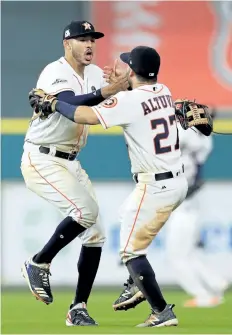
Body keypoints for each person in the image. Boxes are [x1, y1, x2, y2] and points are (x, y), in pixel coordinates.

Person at [29, 45, 190, 327]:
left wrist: (54, 103)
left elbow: (83, 115)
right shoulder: (163, 90)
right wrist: (122, 85)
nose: (123, 68)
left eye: (128, 65)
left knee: (130, 251)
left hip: (155, 186)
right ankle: (135, 282)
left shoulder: (130, 101)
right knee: (124, 216)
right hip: (177, 180)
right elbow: (142, 102)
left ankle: (161, 310)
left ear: (134, 71)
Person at [21, 20, 127, 327]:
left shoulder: (94, 74)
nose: (90, 44)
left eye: (92, 38)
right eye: (82, 39)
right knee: (86, 211)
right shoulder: (55, 72)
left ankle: (78, 308)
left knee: (95, 235)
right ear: (68, 44)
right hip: (42, 157)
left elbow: (117, 97)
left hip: (71, 160)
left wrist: (128, 88)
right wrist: (109, 90)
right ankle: (39, 261)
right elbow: (66, 103)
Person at [113, 117, 228, 310]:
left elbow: (171, 136)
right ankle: (216, 283)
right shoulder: (197, 144)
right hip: (186, 203)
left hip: (184, 205)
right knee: (187, 253)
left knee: (177, 257)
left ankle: (204, 295)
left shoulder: (184, 146)